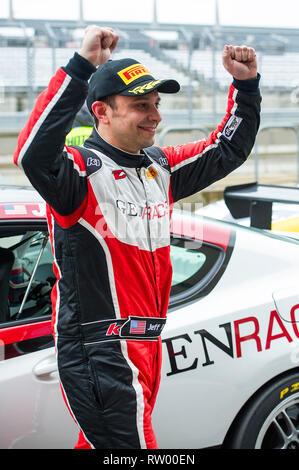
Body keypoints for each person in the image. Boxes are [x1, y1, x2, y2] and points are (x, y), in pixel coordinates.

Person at [13, 25, 261, 449]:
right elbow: (31, 153)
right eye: (140, 105)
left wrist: (246, 85)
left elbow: (227, 149)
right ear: (102, 112)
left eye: (156, 104)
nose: (156, 115)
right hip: (101, 348)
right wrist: (79, 68)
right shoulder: (78, 172)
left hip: (147, 343)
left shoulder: (158, 167)